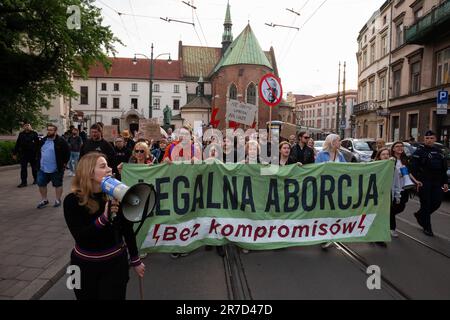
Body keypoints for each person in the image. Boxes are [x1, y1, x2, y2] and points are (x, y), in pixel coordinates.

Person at [63, 152, 145, 300]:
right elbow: (81, 237)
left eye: (108, 165)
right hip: (81, 266)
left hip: (115, 264)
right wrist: (103, 218)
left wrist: (135, 259)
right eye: (103, 166)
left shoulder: (116, 196)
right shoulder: (71, 201)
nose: (109, 169)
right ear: (89, 173)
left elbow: (127, 230)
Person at [410, 130, 448, 236]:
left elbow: (443, 169)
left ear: (435, 139)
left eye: (431, 138)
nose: (429, 140)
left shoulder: (439, 152)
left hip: (437, 182)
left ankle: (420, 215)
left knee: (437, 202)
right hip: (424, 182)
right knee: (426, 204)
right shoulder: (419, 151)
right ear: (424, 139)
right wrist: (416, 182)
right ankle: (427, 227)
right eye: (427, 138)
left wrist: (445, 182)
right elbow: (412, 169)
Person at [315, 134, 346, 249]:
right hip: (324, 189)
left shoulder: (340, 155)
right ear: (332, 142)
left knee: (334, 213)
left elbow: (348, 169)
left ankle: (329, 235)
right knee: (325, 213)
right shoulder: (321, 155)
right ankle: (323, 237)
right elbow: (316, 170)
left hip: (337, 188)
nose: (340, 143)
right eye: (338, 141)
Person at [36, 124, 70, 209]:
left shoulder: (61, 141)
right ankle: (44, 199)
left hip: (56, 168)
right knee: (41, 183)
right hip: (43, 168)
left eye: (51, 130)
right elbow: (38, 151)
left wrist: (65, 163)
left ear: (55, 131)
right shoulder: (43, 140)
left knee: (58, 184)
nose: (49, 131)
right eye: (48, 130)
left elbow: (67, 152)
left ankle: (58, 200)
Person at [13, 122, 39, 187]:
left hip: (33, 154)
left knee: (34, 168)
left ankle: (36, 179)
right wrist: (14, 153)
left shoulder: (34, 134)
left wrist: (38, 153)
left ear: (30, 126)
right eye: (25, 125)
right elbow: (17, 144)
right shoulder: (21, 134)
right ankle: (23, 182)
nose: (27, 126)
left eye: (28, 125)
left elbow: (38, 144)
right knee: (23, 168)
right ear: (23, 127)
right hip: (23, 154)